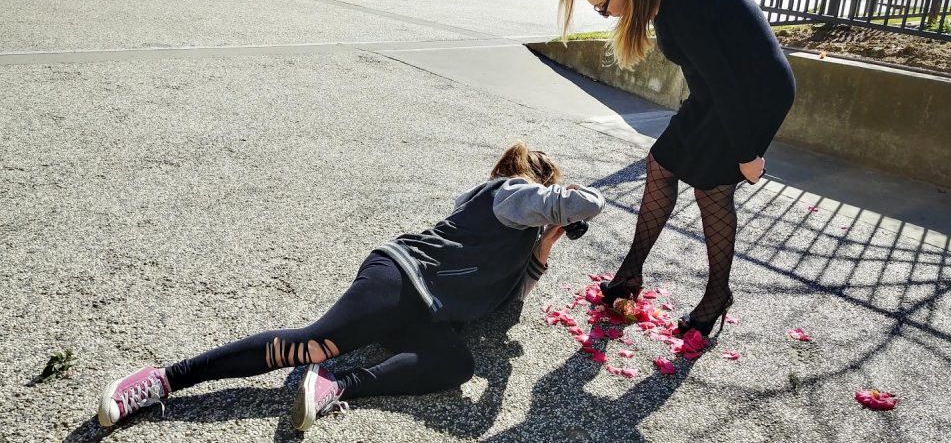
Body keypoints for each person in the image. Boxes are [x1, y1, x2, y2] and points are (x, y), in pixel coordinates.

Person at [96, 141, 605, 431]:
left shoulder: (522, 242)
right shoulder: (508, 195)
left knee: (457, 364)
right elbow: (587, 203)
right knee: (309, 344)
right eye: (547, 201)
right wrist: (567, 204)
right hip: (402, 277)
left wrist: (549, 240)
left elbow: (511, 303)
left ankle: (335, 386)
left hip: (427, 314)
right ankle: (161, 379)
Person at [558, 0, 795, 336]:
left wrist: (746, 154)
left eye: (603, 5)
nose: (606, 14)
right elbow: (711, 68)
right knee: (661, 164)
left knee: (713, 191)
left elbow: (727, 83)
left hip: (752, 99)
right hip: (718, 94)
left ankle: (717, 295)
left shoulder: (684, 3)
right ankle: (629, 275)